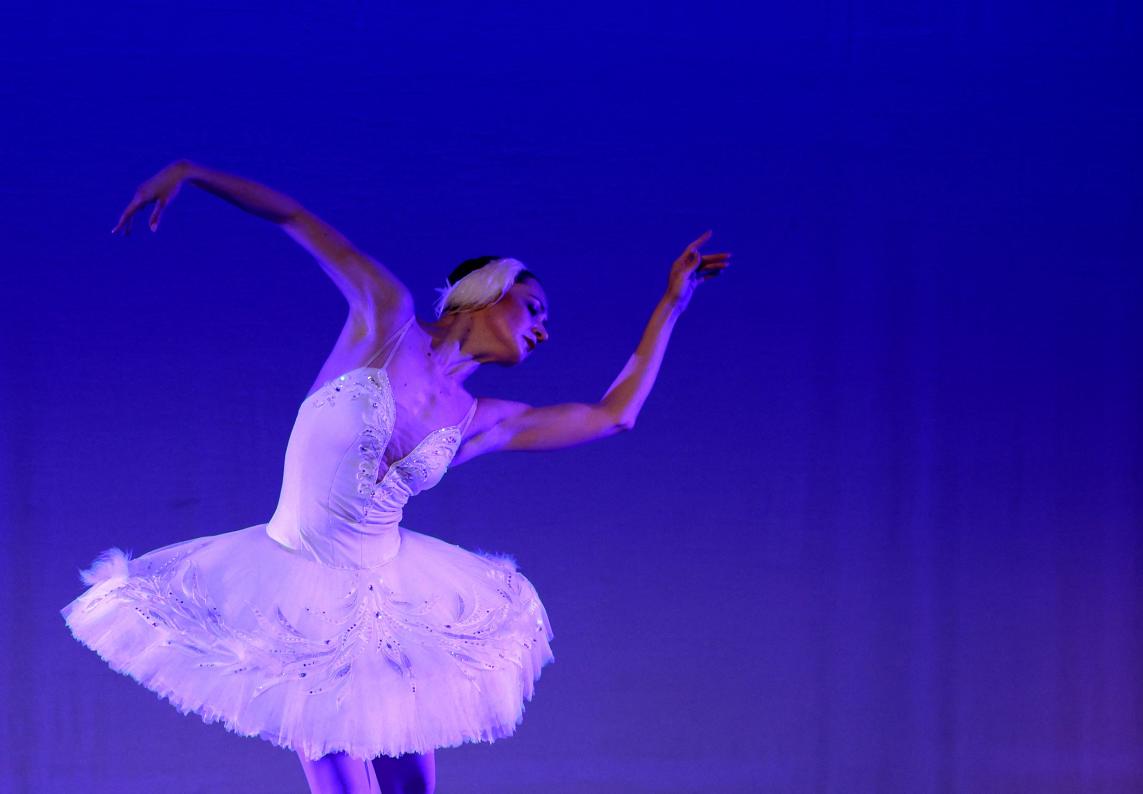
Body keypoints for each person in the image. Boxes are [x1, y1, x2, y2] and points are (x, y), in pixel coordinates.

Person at [62, 159, 732, 794]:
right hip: (296, 588)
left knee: (414, 789)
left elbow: (612, 416)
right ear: (487, 293)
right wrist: (192, 172)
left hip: (389, 607)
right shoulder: (385, 320)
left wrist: (671, 304)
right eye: (535, 310)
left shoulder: (478, 418)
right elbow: (295, 218)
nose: (544, 333)